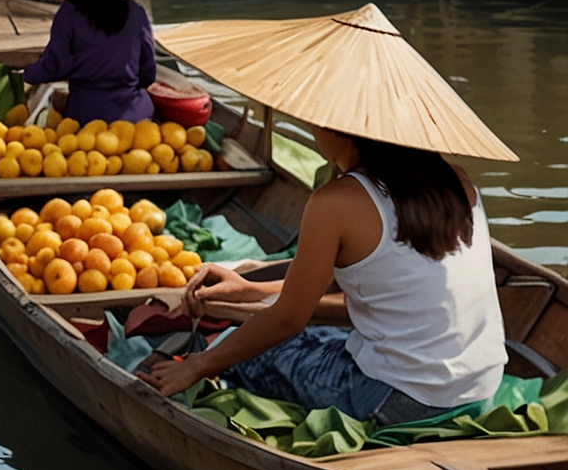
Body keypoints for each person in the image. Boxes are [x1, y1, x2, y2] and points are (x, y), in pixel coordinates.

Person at [141, 131, 504, 425]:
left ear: (342, 132)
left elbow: (288, 320)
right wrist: (250, 290)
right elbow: (375, 281)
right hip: (481, 385)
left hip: (399, 399)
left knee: (241, 351)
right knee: (315, 337)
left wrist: (198, 366)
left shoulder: (336, 201)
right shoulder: (455, 178)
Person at [21, 0, 155, 123]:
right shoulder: (136, 12)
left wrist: (26, 74)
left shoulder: (69, 12)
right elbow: (148, 73)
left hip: (86, 116)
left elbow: (55, 67)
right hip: (137, 116)